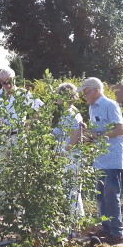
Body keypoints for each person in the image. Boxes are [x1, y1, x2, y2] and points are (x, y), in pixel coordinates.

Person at [80, 77, 123, 245]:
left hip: (113, 156)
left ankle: (117, 233)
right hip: (100, 157)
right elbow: (96, 132)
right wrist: (88, 132)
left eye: (85, 92)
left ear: (96, 90)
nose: (84, 96)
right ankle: (106, 228)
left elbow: (120, 130)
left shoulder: (110, 105)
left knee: (110, 194)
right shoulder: (92, 108)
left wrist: (98, 135)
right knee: (100, 194)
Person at [53, 82, 84, 224]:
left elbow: (75, 135)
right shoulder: (67, 112)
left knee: (71, 190)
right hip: (66, 157)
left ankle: (75, 224)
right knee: (69, 190)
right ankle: (73, 223)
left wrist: (64, 152)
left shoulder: (71, 113)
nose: (56, 97)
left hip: (70, 158)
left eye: (58, 94)